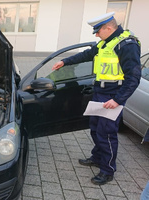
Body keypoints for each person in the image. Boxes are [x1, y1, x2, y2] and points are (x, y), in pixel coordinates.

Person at [52, 12, 141, 185]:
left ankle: (108, 170)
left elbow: (133, 78)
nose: (96, 35)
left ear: (109, 28)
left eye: (98, 31)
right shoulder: (106, 43)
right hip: (100, 93)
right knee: (94, 128)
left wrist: (118, 100)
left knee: (106, 133)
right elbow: (87, 54)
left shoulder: (127, 45)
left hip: (113, 96)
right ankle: (98, 157)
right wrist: (65, 62)